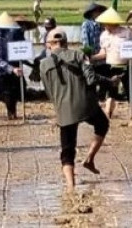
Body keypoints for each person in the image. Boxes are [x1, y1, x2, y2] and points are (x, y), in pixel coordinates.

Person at [40, 27, 119, 191]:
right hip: (86, 105)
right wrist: (110, 81)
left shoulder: (43, 64)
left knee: (67, 149)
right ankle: (89, 158)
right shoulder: (79, 55)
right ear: (65, 42)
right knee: (102, 124)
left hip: (63, 109)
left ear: (50, 45)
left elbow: (48, 91)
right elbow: (91, 79)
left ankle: (70, 186)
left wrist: (58, 107)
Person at [90, 8, 132, 119]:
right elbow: (104, 53)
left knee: (130, 90)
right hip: (110, 66)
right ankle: (108, 114)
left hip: (125, 66)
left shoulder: (126, 33)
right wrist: (92, 58)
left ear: (112, 23)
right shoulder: (104, 36)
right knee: (111, 92)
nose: (105, 26)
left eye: (106, 24)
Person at [81, 2, 107, 96]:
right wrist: (89, 58)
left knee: (104, 80)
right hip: (92, 58)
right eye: (97, 11)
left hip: (103, 58)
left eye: (100, 11)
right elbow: (85, 42)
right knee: (91, 81)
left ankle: (102, 96)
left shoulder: (103, 25)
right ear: (92, 13)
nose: (99, 13)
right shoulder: (86, 25)